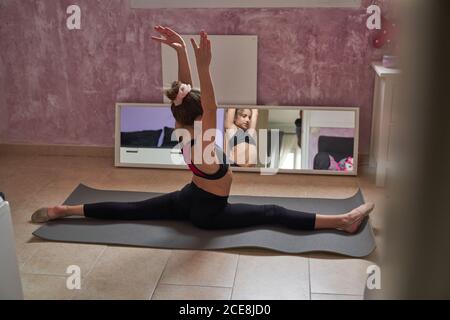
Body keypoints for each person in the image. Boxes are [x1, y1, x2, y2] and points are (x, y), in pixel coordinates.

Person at [31, 26, 374, 233]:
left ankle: (65, 211)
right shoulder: (203, 140)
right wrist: (203, 64)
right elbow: (207, 105)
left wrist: (181, 50)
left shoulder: (182, 128)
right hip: (208, 213)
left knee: (136, 209)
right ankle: (342, 221)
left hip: (190, 195)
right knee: (272, 213)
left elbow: (190, 96)